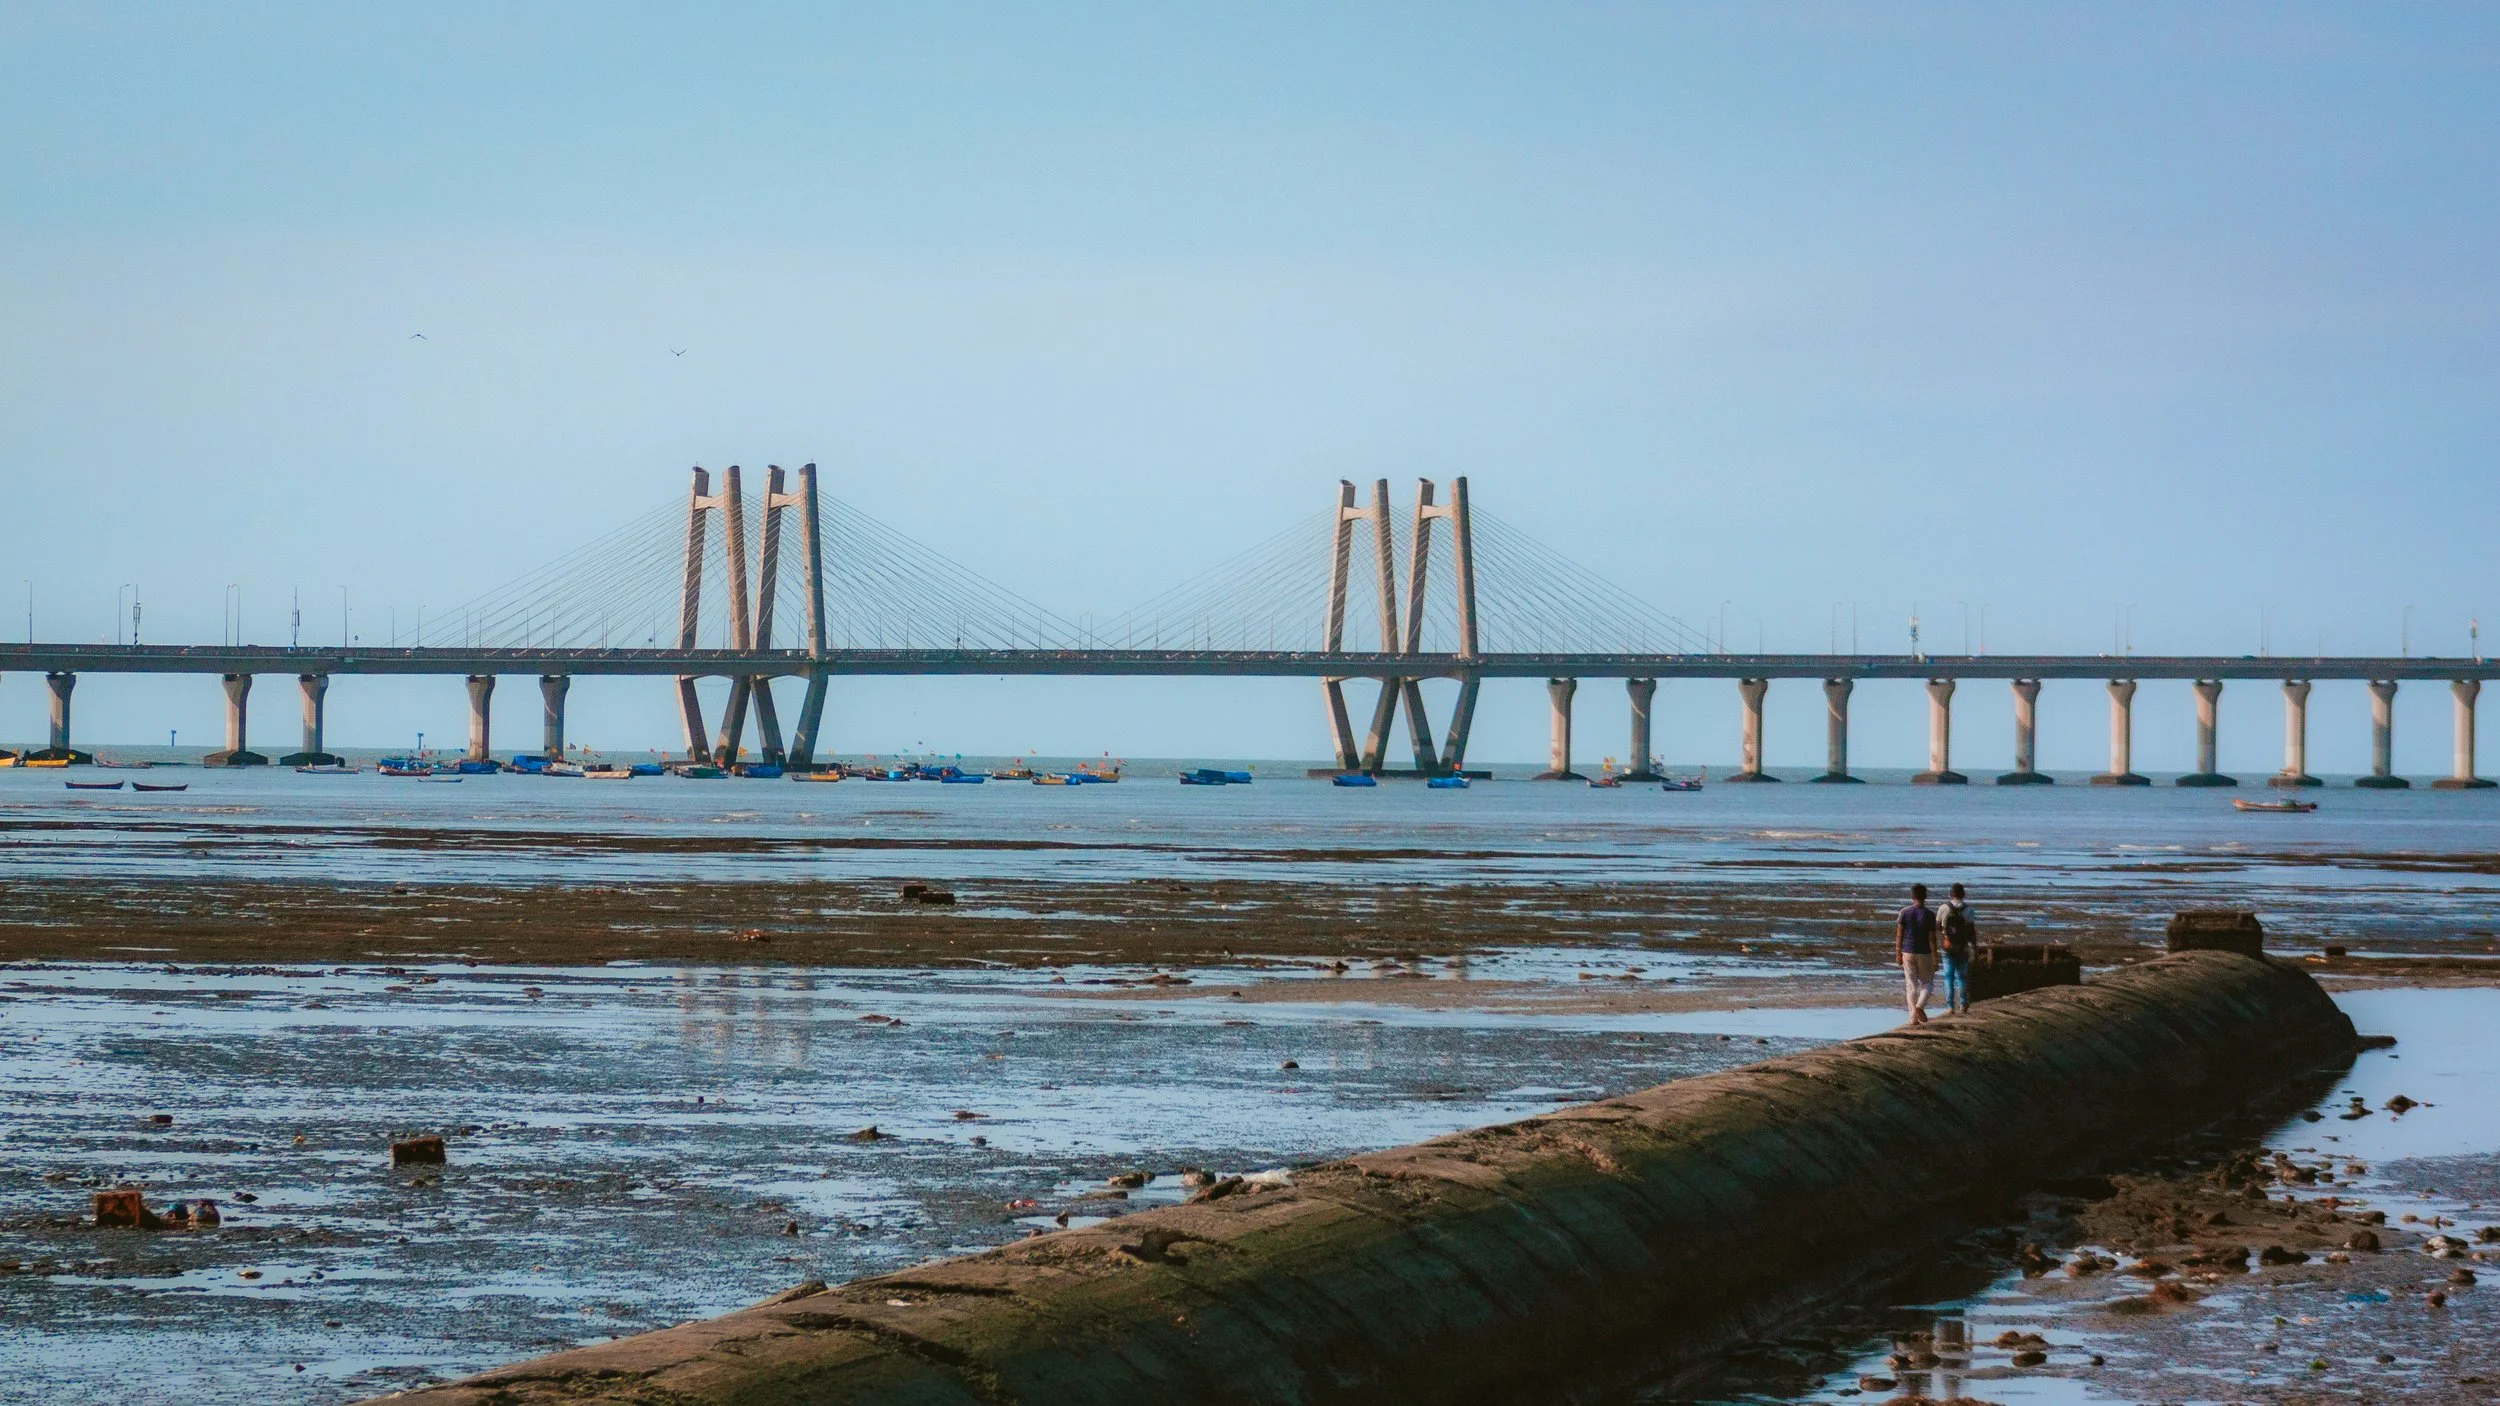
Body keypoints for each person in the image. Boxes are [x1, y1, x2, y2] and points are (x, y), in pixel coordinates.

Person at [1895, 883, 1938, 1024]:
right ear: (1925, 896)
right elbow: (1932, 938)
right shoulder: (1930, 915)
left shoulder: (1904, 912)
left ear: (1912, 896)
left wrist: (1898, 953)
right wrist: (1935, 957)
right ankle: (1920, 1005)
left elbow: (1899, 935)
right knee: (1928, 982)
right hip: (1924, 952)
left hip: (1908, 951)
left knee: (1910, 985)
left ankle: (1912, 1017)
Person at [1937, 882, 1978, 1014]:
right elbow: (1972, 931)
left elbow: (1937, 927)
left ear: (1951, 894)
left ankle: (1950, 1006)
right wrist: (1974, 947)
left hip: (1947, 947)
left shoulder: (1943, 908)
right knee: (1962, 977)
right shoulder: (1969, 910)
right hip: (1963, 947)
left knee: (1948, 976)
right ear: (1963, 895)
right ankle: (1963, 1003)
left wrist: (1946, 934)